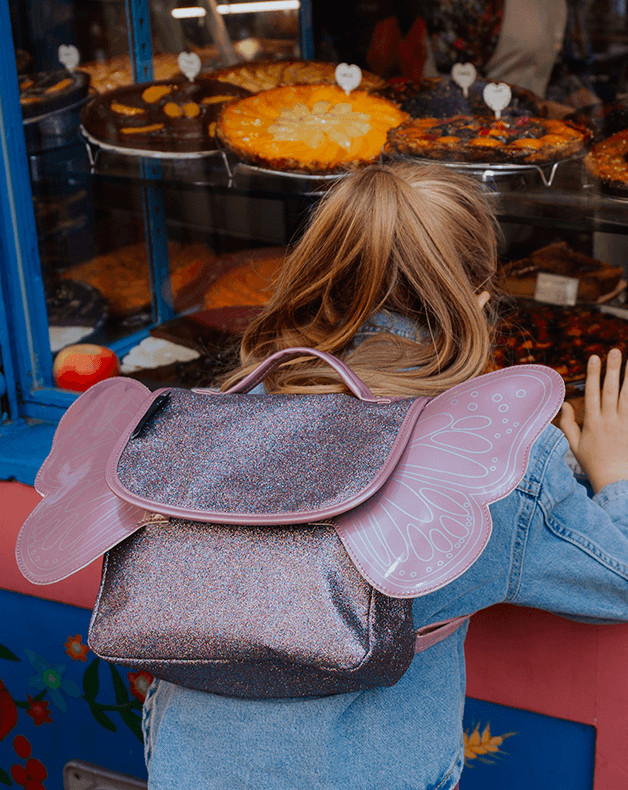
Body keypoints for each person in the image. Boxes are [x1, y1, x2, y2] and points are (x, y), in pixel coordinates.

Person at [141, 163, 628, 790]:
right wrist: (613, 470)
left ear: (317, 277)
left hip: (189, 762)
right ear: (479, 300)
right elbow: (617, 578)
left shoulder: (229, 407)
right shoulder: (497, 460)